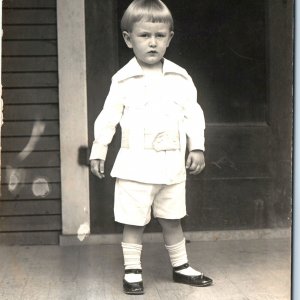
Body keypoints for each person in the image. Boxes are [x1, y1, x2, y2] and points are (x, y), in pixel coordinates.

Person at [90, 0, 213, 295]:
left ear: (170, 38)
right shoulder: (122, 80)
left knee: (172, 217)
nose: (153, 43)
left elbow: (193, 113)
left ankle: (181, 266)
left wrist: (197, 146)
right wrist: (99, 149)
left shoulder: (180, 78)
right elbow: (108, 117)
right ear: (128, 39)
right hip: (135, 165)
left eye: (160, 36)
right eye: (145, 35)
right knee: (134, 221)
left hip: (171, 165)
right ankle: (133, 270)